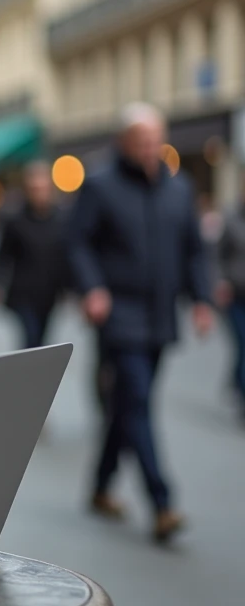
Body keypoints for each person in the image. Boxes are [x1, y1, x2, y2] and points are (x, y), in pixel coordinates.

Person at [68, 102, 214, 544]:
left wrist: (202, 299)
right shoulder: (99, 186)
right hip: (117, 314)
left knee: (128, 406)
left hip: (160, 315)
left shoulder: (179, 189)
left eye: (155, 141)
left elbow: (193, 248)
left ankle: (99, 486)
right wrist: (92, 288)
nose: (150, 149)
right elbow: (78, 243)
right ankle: (162, 502)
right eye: (141, 142)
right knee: (137, 401)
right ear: (123, 143)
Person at [0, 162, 69, 350]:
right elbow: (3, 255)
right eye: (34, 189)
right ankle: (28, 372)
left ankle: (37, 373)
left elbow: (66, 255)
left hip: (50, 291)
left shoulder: (61, 219)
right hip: (23, 292)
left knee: (42, 337)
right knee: (30, 336)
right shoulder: (15, 220)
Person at [217, 194, 245, 419]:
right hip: (235, 295)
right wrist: (220, 281)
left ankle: (237, 380)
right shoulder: (232, 219)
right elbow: (216, 256)